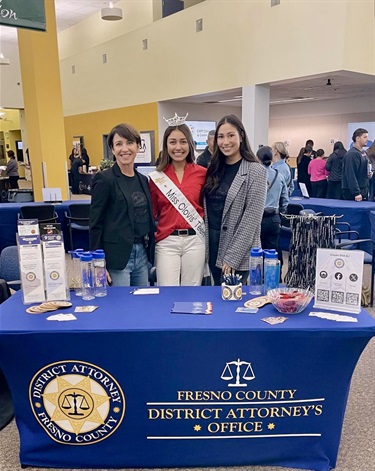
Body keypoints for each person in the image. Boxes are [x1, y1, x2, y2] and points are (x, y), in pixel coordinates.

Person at [202, 114, 267, 286]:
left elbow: (252, 219)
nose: (225, 142)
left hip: (238, 247)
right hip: (212, 244)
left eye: (231, 135)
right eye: (221, 137)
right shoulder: (213, 169)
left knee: (230, 300)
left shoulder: (256, 171)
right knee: (214, 296)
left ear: (241, 136)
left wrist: (232, 257)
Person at [90, 123, 155, 286]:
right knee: (120, 307)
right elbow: (95, 224)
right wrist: (98, 263)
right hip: (117, 257)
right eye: (119, 144)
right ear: (112, 149)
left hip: (141, 254)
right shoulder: (105, 179)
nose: (124, 149)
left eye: (129, 143)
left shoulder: (143, 180)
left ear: (138, 146)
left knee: (141, 305)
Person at [149, 123, 206, 286]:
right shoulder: (157, 177)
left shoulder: (203, 174)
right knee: (166, 291)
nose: (178, 147)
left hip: (195, 240)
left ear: (190, 144)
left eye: (183, 141)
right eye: (173, 142)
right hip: (167, 241)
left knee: (192, 291)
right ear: (166, 145)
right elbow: (153, 212)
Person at [257, 146, 288, 257]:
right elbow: (285, 200)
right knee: (273, 251)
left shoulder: (255, 176)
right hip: (274, 219)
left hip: (258, 219)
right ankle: (275, 273)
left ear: (258, 159)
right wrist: (281, 212)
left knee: (257, 252)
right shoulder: (279, 176)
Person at [342, 128, 370, 201]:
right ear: (357, 138)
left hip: (363, 189)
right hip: (354, 193)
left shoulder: (363, 152)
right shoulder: (351, 154)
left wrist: (369, 173)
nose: (367, 139)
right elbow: (351, 174)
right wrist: (356, 192)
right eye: (365, 137)